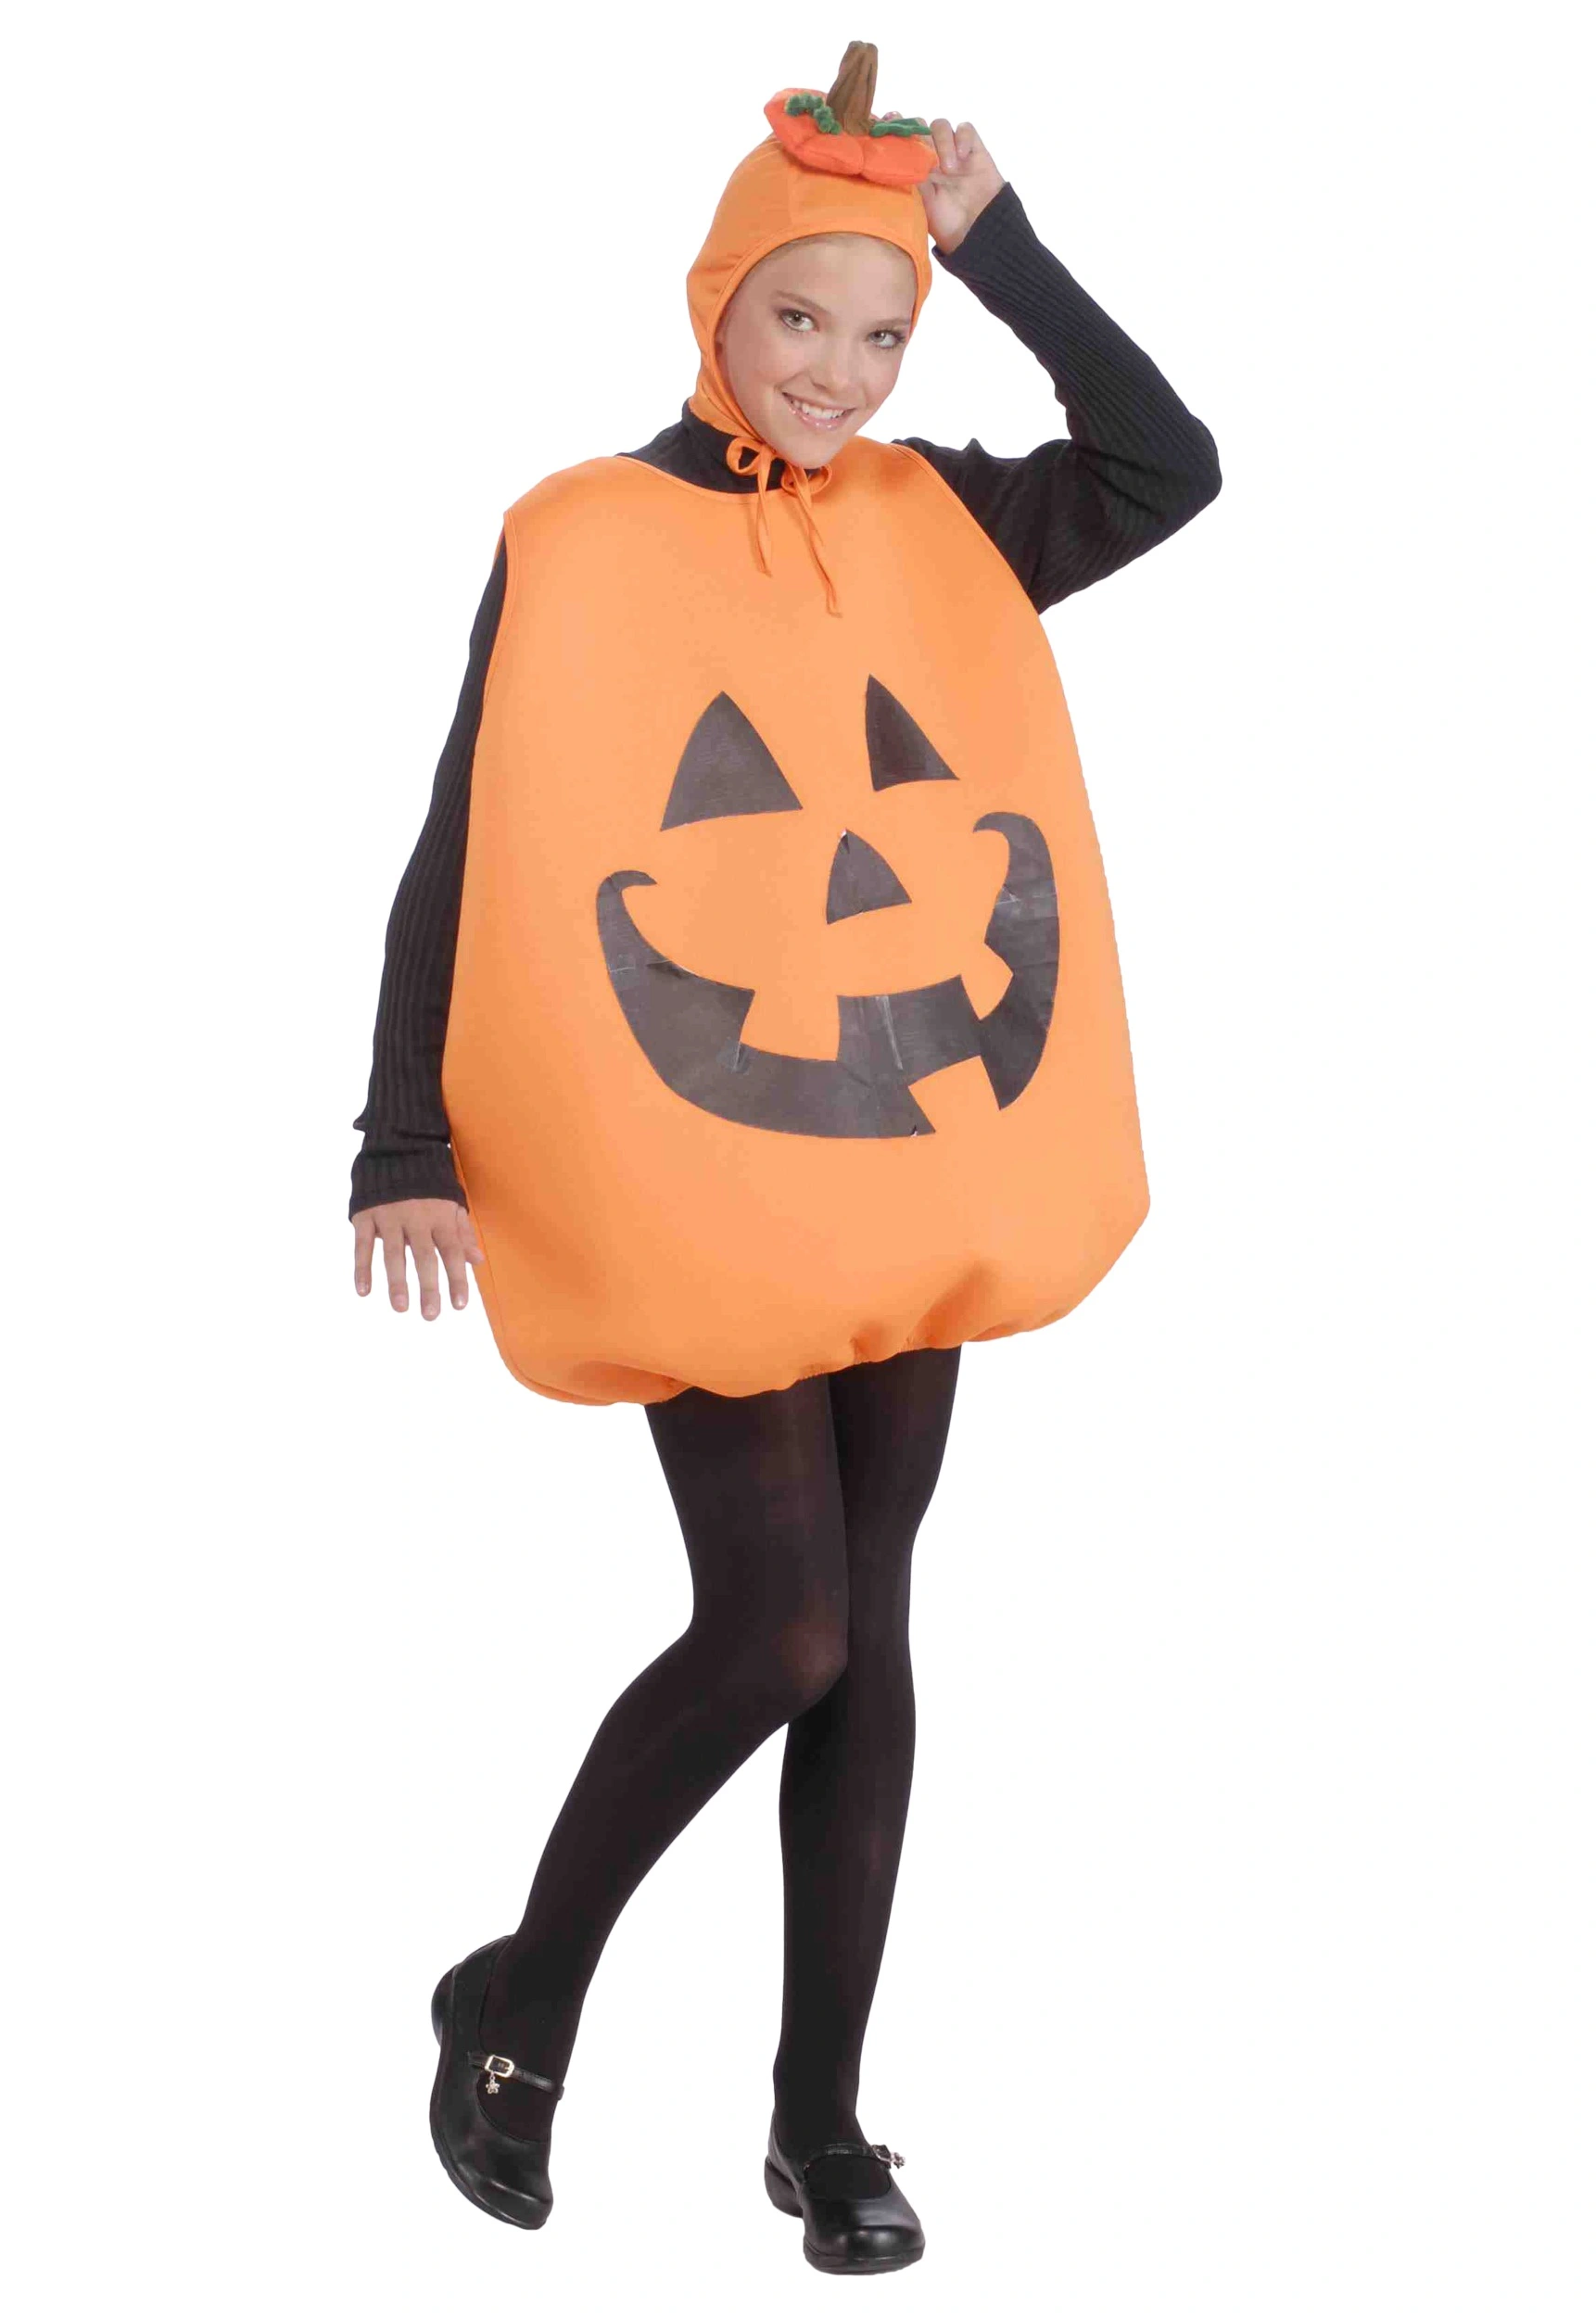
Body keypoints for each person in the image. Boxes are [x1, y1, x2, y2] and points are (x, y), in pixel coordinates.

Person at [348, 43, 1220, 2277]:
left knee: (871, 1629)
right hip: (692, 1160)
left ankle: (818, 2117)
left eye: (880, 331)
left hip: (901, 1141)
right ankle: (521, 1997)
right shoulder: (580, 535)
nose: (834, 371)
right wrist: (399, 1133)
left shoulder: (940, 521)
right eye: (796, 317)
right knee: (781, 1622)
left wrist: (996, 243)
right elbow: (466, 830)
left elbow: (1167, 461)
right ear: (713, 302)